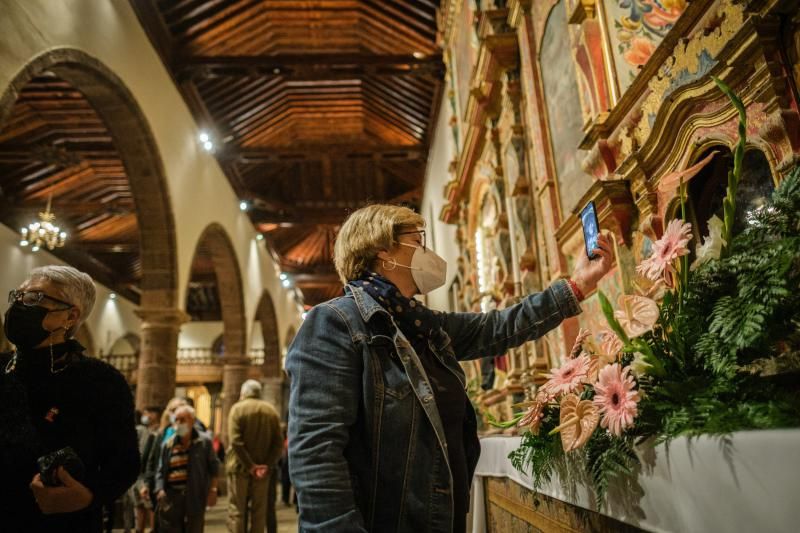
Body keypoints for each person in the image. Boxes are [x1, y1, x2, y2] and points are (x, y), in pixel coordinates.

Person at [287, 205, 614, 532]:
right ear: (384, 252)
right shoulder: (335, 323)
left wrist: (577, 285)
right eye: (418, 241)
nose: (427, 252)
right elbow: (316, 456)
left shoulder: (420, 325)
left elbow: (495, 328)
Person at [0, 265, 140, 532]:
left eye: (34, 298)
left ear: (70, 315)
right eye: (17, 297)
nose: (20, 305)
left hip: (64, 524)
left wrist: (88, 495)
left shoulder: (102, 381)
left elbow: (125, 464)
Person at [226, 379, 283, 533]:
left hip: (239, 468)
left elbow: (235, 442)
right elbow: (278, 443)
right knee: (259, 512)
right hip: (263, 472)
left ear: (243, 393)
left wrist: (250, 465)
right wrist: (266, 465)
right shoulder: (271, 411)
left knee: (237, 511)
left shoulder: (237, 409)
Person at [155, 405, 219, 533]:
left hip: (195, 495)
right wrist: (160, 489)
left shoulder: (204, 442)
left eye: (182, 420)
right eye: (176, 420)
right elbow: (161, 470)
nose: (179, 423)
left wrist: (213, 490)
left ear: (192, 421)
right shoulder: (169, 444)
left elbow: (214, 468)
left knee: (194, 528)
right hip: (173, 497)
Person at [135, 406, 162, 533]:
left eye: (148, 413)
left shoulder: (157, 432)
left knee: (150, 507)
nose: (145, 416)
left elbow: (148, 457)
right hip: (140, 474)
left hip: (149, 474)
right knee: (139, 506)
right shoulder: (143, 430)